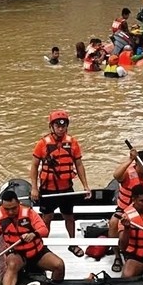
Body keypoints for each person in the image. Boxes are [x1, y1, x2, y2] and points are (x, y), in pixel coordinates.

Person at [29, 110, 91, 258]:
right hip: (48, 189)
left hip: (66, 189)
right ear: (52, 127)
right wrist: (34, 188)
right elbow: (33, 167)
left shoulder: (73, 143)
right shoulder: (42, 144)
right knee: (47, 218)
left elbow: (79, 165)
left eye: (63, 125)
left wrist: (85, 186)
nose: (61, 128)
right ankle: (43, 246)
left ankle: (73, 243)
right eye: (57, 125)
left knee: (69, 217)